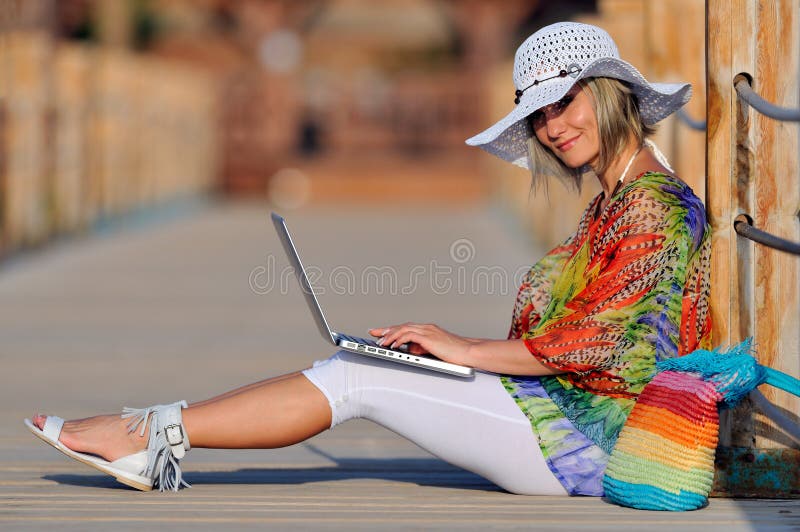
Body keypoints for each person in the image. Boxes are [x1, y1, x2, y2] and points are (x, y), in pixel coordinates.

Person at [25, 21, 711, 496]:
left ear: (611, 93)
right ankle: (152, 432)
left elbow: (598, 345)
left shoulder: (654, 206)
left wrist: (466, 350)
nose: (553, 126)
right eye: (538, 115)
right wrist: (451, 353)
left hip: (597, 445)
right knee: (364, 364)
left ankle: (148, 434)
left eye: (564, 102)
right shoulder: (614, 201)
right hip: (567, 415)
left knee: (359, 378)